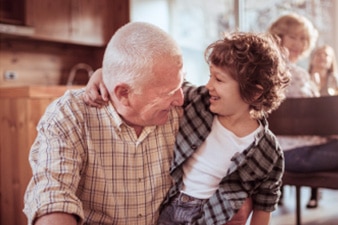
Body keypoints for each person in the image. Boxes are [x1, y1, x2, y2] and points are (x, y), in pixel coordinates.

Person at [84, 32, 291, 224]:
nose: (209, 85)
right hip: (171, 206)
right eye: (210, 75)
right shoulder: (201, 100)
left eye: (218, 79)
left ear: (254, 93)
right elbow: (159, 85)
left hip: (214, 217)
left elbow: (266, 202)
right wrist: (104, 74)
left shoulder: (268, 151)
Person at [23, 22, 185, 225]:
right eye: (170, 93)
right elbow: (53, 194)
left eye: (181, 84)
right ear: (123, 94)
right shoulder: (70, 114)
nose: (181, 99)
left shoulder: (179, 109)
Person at [268, 13, 338, 209]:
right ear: (279, 36)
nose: (299, 43)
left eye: (303, 38)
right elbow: (319, 121)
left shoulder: (267, 71)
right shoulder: (296, 74)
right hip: (299, 154)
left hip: (279, 153)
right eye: (293, 37)